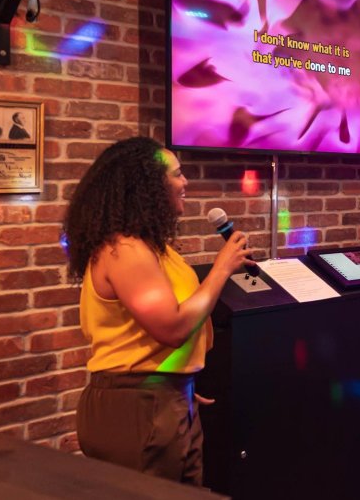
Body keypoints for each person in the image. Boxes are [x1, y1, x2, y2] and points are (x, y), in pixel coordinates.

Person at [63, 137, 253, 485]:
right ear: (148, 186)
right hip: (138, 407)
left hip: (161, 398)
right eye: (177, 175)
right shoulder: (125, 249)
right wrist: (222, 269)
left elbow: (155, 336)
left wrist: (173, 381)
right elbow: (172, 327)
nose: (186, 183)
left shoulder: (152, 247)